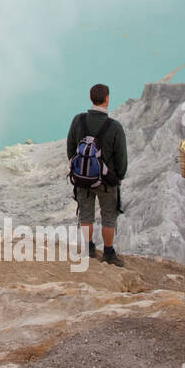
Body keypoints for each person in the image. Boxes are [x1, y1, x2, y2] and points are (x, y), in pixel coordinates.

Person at [66, 83, 128, 266]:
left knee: (85, 214)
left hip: (82, 179)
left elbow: (71, 147)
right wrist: (119, 176)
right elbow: (121, 156)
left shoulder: (78, 120)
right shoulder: (114, 126)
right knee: (109, 216)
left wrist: (78, 169)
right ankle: (108, 254)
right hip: (107, 182)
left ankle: (88, 249)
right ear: (107, 99)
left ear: (90, 98)